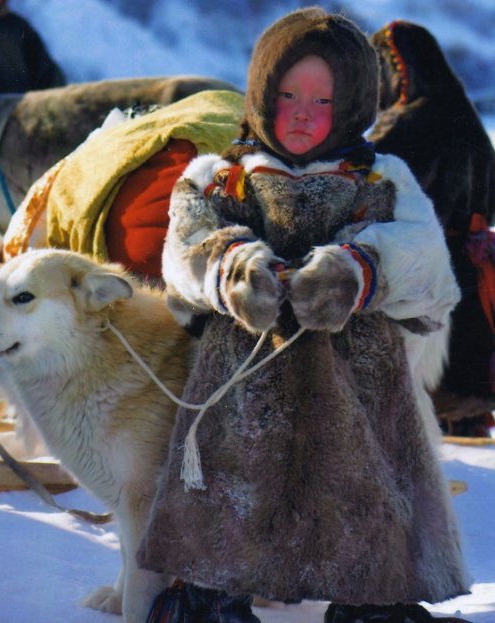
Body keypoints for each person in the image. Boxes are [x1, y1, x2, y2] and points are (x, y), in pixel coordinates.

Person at [136, 8, 470, 623]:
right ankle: (212, 599)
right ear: (262, 91)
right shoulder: (221, 178)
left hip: (358, 382)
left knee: (362, 491)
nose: (301, 113)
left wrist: (357, 271)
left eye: (323, 100)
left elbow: (430, 271)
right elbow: (183, 251)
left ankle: (370, 602)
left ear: (353, 106)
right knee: (232, 491)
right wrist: (234, 270)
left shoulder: (382, 178)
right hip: (244, 378)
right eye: (287, 94)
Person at [369, 20, 495, 436]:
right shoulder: (470, 119)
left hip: (423, 269)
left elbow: (372, 185)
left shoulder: (410, 119)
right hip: (470, 270)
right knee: (462, 366)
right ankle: (469, 416)